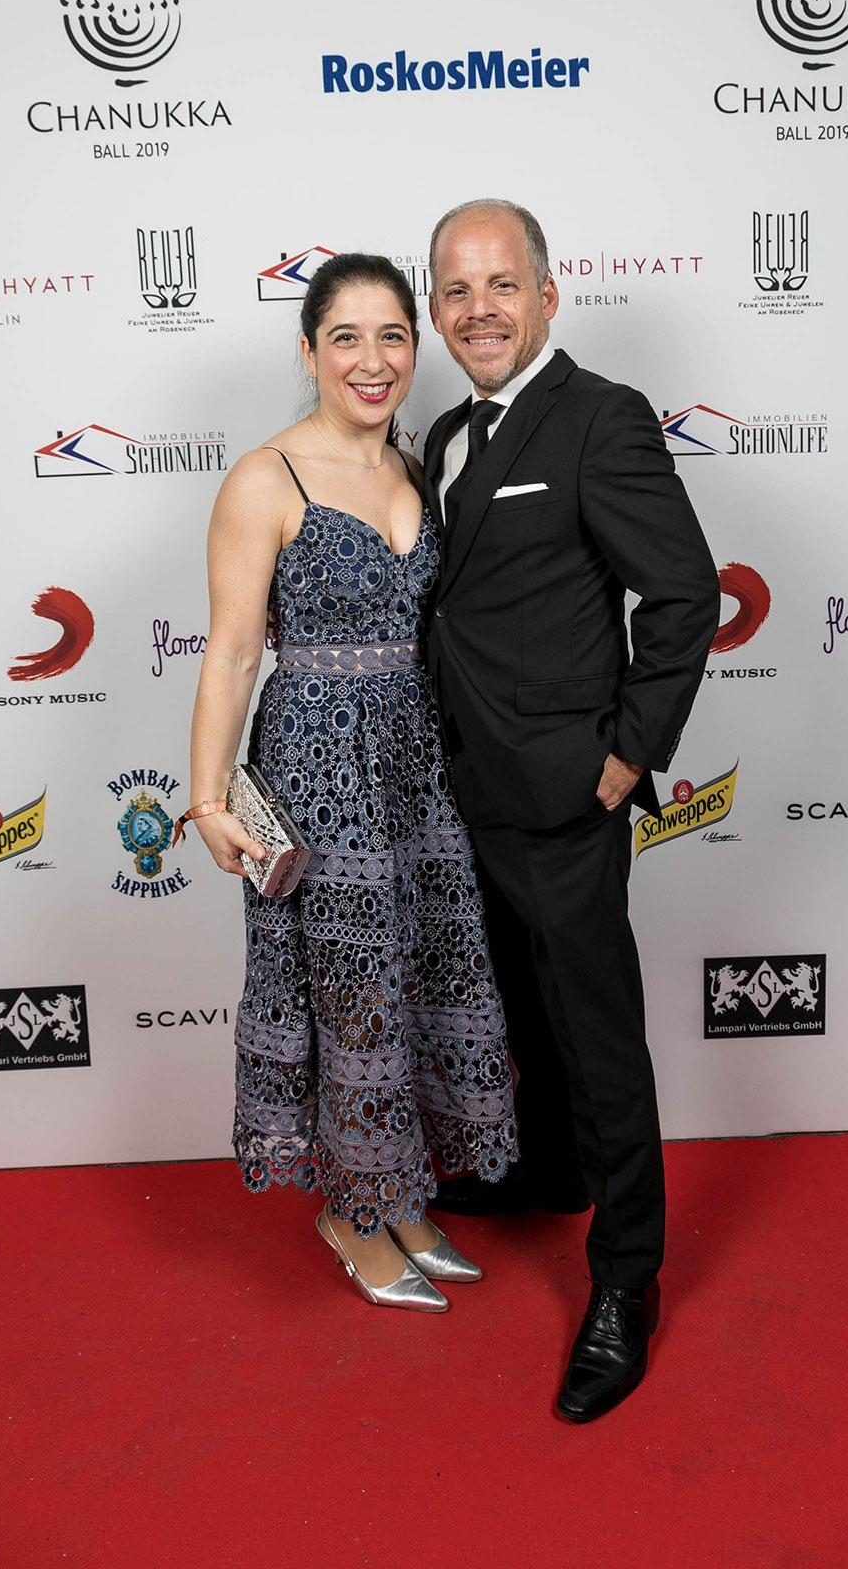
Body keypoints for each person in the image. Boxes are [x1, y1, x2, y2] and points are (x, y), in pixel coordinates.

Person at [422, 199, 720, 1418]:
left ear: (547, 295)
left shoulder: (602, 416)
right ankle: (547, 1172)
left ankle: (626, 1279)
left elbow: (685, 593)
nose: (479, 309)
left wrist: (628, 755)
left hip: (565, 792)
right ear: (435, 309)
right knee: (517, 1011)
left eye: (502, 284)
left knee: (599, 1040)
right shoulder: (443, 433)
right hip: (463, 790)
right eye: (456, 290)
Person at [184, 253, 517, 1312]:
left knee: (416, 974)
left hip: (418, 762)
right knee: (349, 989)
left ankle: (401, 1194)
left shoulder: (420, 468)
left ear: (415, 349)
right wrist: (207, 798)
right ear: (309, 351)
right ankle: (352, 1213)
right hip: (319, 765)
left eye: (392, 337)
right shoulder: (266, 478)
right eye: (346, 338)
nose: (372, 361)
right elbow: (235, 650)